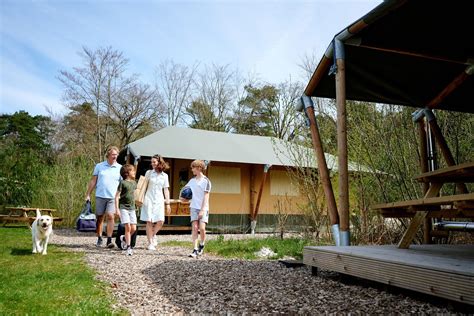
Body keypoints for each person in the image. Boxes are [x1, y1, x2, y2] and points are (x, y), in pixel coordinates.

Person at [85, 146, 122, 248]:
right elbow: (93, 181)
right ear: (108, 155)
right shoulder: (99, 166)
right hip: (100, 196)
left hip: (112, 197)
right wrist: (88, 194)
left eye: (116, 154)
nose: (115, 156)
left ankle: (109, 240)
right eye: (113, 154)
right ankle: (99, 237)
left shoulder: (120, 168)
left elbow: (122, 183)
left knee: (110, 216)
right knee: (100, 218)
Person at [139, 154, 171, 250]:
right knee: (149, 221)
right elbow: (143, 187)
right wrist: (140, 199)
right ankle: (150, 243)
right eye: (151, 162)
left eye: (154, 162)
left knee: (161, 221)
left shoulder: (165, 176)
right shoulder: (148, 173)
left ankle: (152, 235)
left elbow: (166, 190)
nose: (152, 164)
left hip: (159, 200)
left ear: (159, 163)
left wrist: (168, 203)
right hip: (148, 199)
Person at [183, 160, 211, 258]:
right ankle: (195, 249)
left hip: (203, 208)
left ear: (199, 168)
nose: (192, 170)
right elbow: (184, 192)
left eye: (193, 168)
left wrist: (203, 210)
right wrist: (183, 198)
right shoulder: (191, 181)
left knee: (202, 229)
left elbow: (206, 197)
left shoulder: (206, 181)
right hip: (194, 207)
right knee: (194, 228)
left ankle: (202, 244)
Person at [114, 164, 137, 256]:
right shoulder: (122, 183)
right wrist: (117, 209)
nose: (134, 172)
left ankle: (124, 238)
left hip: (132, 208)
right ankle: (128, 247)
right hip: (123, 208)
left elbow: (134, 195)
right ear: (127, 173)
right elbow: (116, 197)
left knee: (133, 228)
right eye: (133, 171)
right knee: (127, 227)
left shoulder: (134, 183)